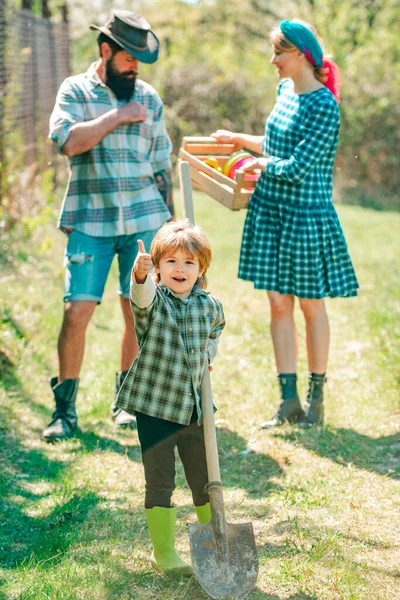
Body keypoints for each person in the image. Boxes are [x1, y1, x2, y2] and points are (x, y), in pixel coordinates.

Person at [212, 19, 358, 428]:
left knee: (311, 305)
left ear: (301, 55)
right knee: (277, 303)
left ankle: (317, 399)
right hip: (272, 210)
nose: (273, 60)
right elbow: (277, 144)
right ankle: (288, 400)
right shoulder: (284, 92)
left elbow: (296, 166)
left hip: (304, 215)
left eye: (279, 52)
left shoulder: (324, 106)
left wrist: (257, 164)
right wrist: (239, 140)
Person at [43, 11, 174, 441]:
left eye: (140, 60)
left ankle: (126, 402)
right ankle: (64, 412)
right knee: (77, 311)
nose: (135, 67)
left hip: (142, 220)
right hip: (90, 221)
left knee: (135, 312)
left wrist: (170, 223)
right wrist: (117, 116)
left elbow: (160, 166)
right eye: (129, 58)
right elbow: (69, 142)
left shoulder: (150, 99)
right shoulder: (75, 91)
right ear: (105, 51)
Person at [115, 219, 225, 573]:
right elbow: (141, 295)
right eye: (172, 262)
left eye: (189, 262)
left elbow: (214, 334)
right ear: (160, 268)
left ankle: (214, 543)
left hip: (194, 408)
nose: (181, 269)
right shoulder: (154, 301)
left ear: (201, 268)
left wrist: (208, 354)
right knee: (160, 478)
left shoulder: (210, 305)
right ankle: (163, 552)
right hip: (156, 407)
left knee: (204, 478)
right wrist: (140, 274)